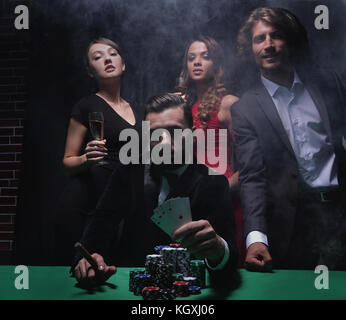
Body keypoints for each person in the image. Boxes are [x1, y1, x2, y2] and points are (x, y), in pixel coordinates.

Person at [72, 93, 238, 286]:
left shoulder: (215, 182)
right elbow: (101, 222)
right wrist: (89, 257)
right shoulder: (129, 171)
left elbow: (229, 259)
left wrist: (219, 250)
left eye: (175, 132)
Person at [232, 7, 346, 271]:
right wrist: (256, 238)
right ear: (251, 48)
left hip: (339, 212)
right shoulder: (246, 108)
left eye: (276, 35)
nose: (268, 45)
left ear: (289, 41)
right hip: (292, 226)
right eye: (259, 38)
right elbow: (252, 177)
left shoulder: (329, 83)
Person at [53, 37, 141, 265]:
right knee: (81, 275)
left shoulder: (140, 110)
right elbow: (67, 162)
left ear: (123, 64)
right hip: (86, 202)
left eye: (112, 53)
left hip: (121, 204)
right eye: (97, 57)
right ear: (90, 71)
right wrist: (85, 158)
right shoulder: (86, 106)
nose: (107, 59)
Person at [177, 35, 245, 266]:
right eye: (191, 58)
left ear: (216, 63)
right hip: (193, 199)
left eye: (205, 57)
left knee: (225, 265)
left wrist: (223, 189)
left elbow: (252, 164)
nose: (197, 62)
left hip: (224, 196)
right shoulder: (185, 108)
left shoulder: (228, 103)